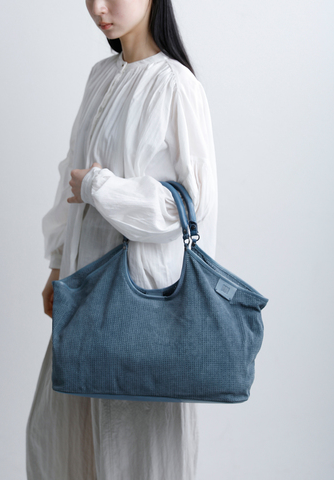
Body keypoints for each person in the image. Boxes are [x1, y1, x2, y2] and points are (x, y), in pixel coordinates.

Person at [25, 0, 218, 478]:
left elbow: (188, 207)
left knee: (132, 445)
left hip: (143, 302)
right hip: (82, 284)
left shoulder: (176, 85)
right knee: (65, 434)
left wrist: (101, 188)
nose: (98, 7)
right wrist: (57, 263)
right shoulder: (101, 75)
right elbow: (69, 174)